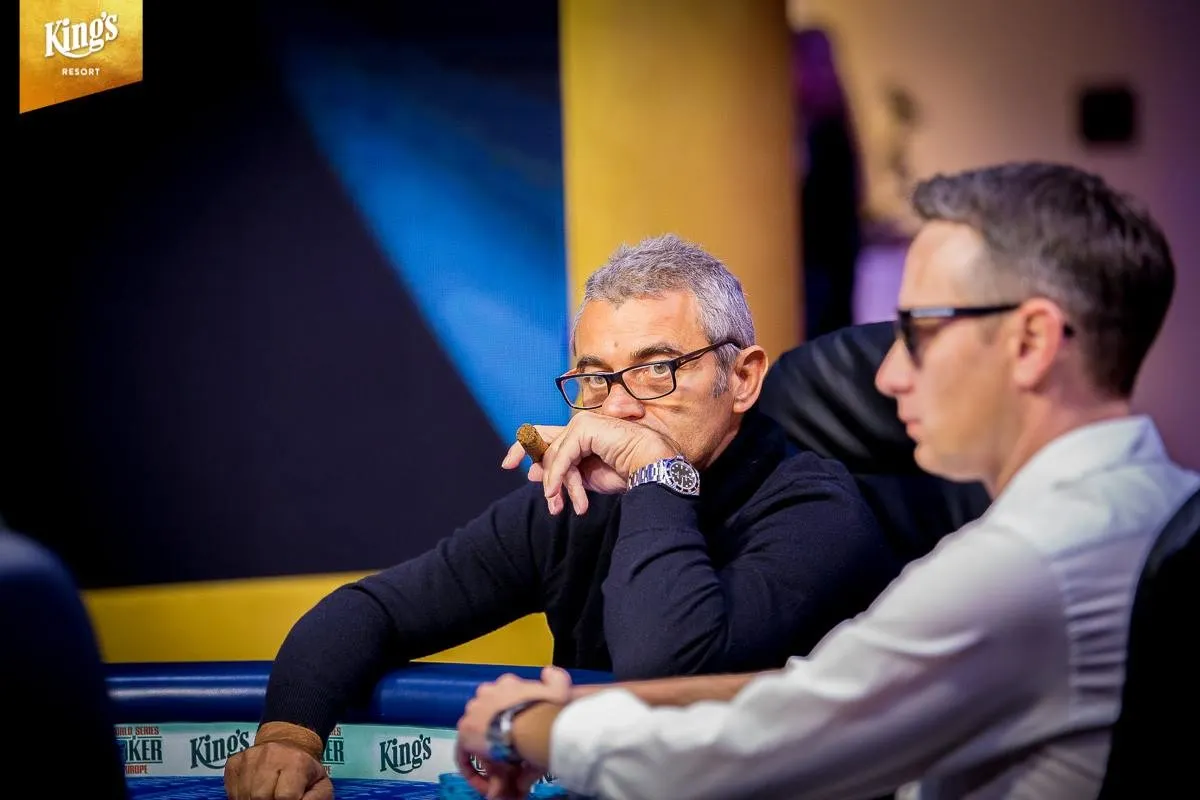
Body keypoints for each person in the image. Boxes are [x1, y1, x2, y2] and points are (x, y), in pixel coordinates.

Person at [455, 163, 1200, 800]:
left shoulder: (1023, 563)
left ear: (1032, 340)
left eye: (919, 331)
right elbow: (810, 694)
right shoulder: (1148, 503)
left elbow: (752, 755)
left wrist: (529, 728)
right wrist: (593, 704)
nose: (888, 372)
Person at [224, 233, 904, 799]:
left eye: (658, 369)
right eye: (596, 378)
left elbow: (662, 674)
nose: (619, 408)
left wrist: (656, 475)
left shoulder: (818, 511)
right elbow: (373, 611)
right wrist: (287, 741)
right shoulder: (579, 500)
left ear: (744, 378)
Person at [793, 27, 864, 341]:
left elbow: (829, 207)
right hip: (826, 260)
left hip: (823, 261)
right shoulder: (827, 125)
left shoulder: (826, 131)